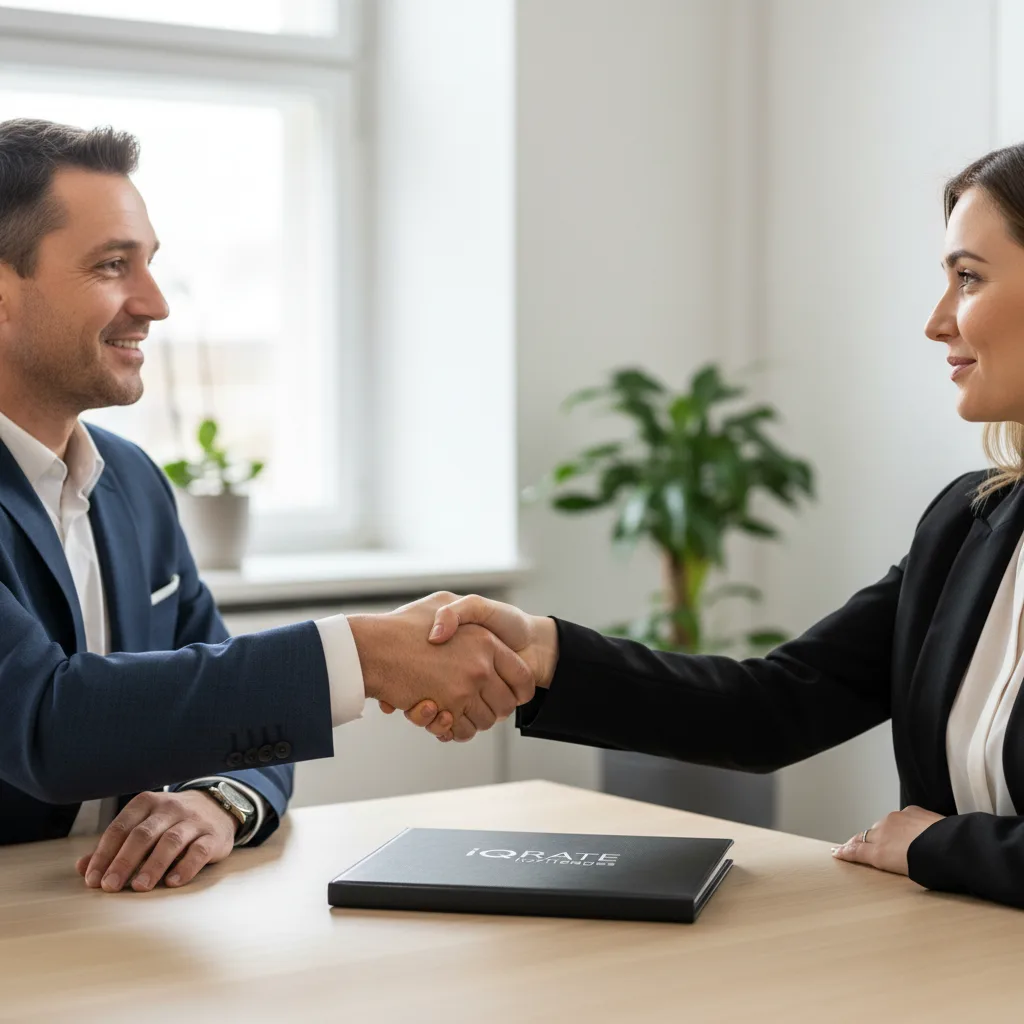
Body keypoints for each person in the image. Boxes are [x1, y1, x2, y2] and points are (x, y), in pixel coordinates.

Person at [393, 142, 1024, 912]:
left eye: (969, 277)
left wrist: (938, 846)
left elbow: (940, 840)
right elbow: (773, 708)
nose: (935, 322)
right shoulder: (967, 522)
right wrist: (543, 650)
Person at [0, 118, 534, 891]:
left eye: (149, 264)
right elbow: (48, 724)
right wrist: (364, 654)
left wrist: (219, 799)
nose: (155, 303)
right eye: (113, 265)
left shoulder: (134, 482)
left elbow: (226, 708)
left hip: (110, 920)